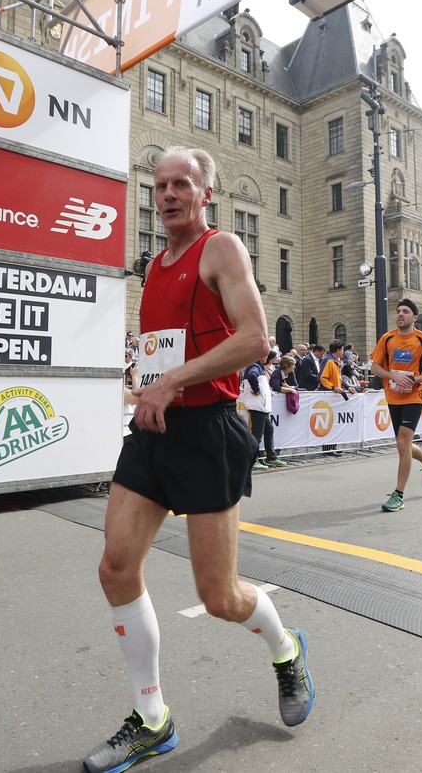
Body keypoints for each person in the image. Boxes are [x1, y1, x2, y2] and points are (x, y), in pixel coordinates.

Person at [84, 147, 312, 773]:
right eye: (160, 185)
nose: (168, 194)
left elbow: (255, 339)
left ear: (206, 193)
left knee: (220, 597)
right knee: (115, 568)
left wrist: (171, 381)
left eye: (181, 184)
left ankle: (286, 649)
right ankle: (152, 718)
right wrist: (148, 383)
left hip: (209, 431)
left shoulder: (222, 249)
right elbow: (165, 350)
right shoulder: (154, 267)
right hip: (154, 429)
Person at [370, 299, 422, 512]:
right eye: (398, 311)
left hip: (414, 397)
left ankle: (398, 495)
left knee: (402, 443)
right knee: (404, 444)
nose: (400, 314)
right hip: (393, 397)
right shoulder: (387, 338)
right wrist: (393, 376)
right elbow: (375, 367)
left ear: (415, 317)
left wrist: (412, 380)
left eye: (406, 312)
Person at [242, 353, 280, 469]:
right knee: (257, 434)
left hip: (261, 406)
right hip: (258, 406)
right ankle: (253, 460)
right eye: (264, 356)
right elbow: (252, 376)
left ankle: (271, 456)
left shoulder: (257, 366)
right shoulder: (255, 366)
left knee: (268, 430)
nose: (266, 358)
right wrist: (256, 389)